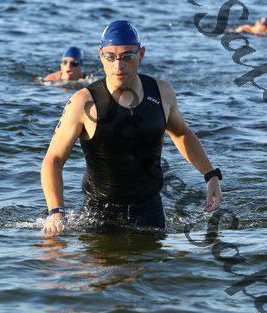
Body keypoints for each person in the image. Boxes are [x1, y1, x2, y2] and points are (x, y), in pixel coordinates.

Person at [41, 20, 223, 235]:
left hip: (150, 210)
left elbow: (182, 133)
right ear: (101, 56)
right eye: (111, 57)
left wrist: (211, 175)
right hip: (99, 214)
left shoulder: (162, 93)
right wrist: (56, 212)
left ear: (141, 54)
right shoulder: (83, 102)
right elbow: (53, 159)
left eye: (127, 56)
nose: (118, 65)